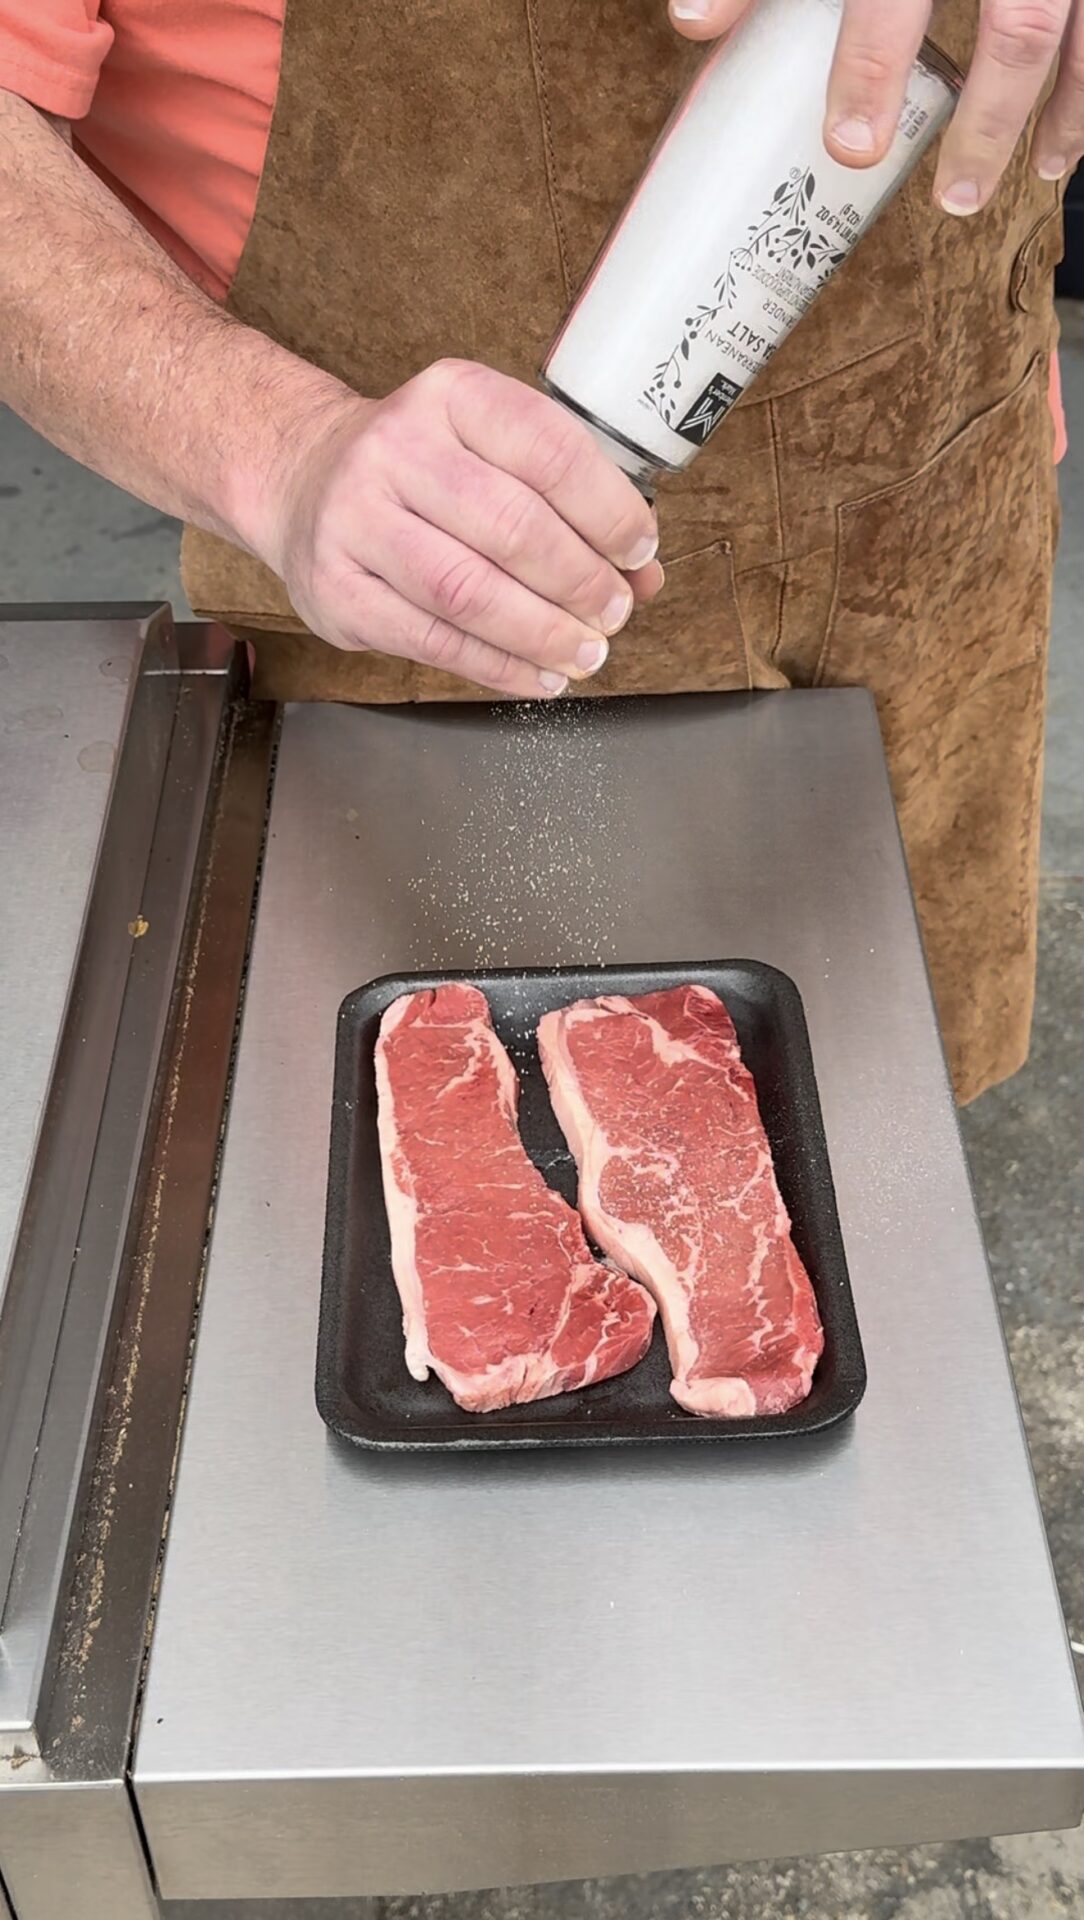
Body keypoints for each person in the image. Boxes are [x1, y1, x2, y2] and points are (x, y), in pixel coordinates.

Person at [0, 0, 1074, 1102]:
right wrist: (279, 447)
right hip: (456, 570)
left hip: (933, 504)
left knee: (885, 1112)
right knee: (516, 1147)